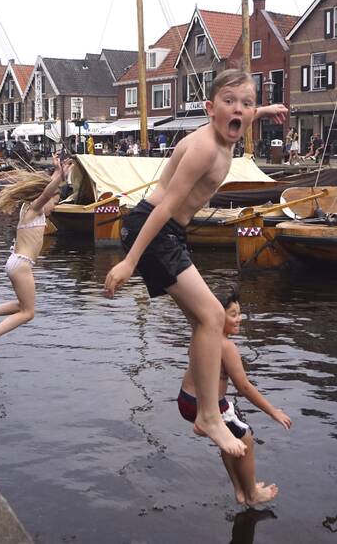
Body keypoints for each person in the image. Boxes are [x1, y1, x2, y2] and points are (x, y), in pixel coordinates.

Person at [103, 68, 287, 456]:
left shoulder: (234, 124)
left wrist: (268, 109)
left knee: (208, 324)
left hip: (168, 233)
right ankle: (207, 414)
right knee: (213, 318)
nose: (240, 110)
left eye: (247, 104)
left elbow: (246, 112)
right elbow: (167, 204)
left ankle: (199, 400)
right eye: (229, 102)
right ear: (209, 109)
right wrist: (129, 262)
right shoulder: (204, 147)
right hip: (153, 229)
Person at [177, 288, 291, 506]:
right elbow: (244, 387)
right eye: (233, 314)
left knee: (229, 437)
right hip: (203, 404)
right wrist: (273, 411)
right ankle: (251, 494)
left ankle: (239, 490)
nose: (240, 318)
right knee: (245, 438)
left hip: (185, 400)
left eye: (239, 313)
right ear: (219, 317)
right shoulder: (226, 346)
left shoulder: (200, 335)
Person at [0, 154, 72, 355]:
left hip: (16, 263)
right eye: (55, 202)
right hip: (22, 265)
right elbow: (46, 192)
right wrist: (59, 177)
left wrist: (57, 173)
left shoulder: (29, 209)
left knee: (21, 305)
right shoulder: (34, 209)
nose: (55, 206)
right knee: (28, 313)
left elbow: (46, 190)